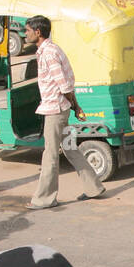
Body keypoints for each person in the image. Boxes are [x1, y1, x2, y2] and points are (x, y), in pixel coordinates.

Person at [26, 14, 105, 209]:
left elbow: (64, 85)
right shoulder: (53, 49)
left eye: (27, 30)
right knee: (70, 148)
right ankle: (94, 187)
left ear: (38, 32)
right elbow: (67, 84)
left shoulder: (48, 53)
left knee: (50, 154)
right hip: (61, 109)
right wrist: (75, 106)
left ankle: (45, 198)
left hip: (55, 111)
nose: (25, 34)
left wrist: (75, 106)